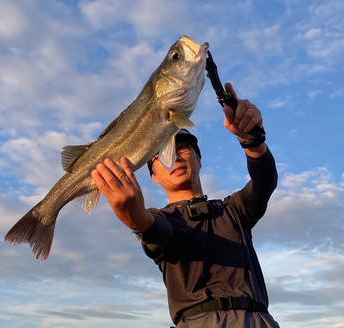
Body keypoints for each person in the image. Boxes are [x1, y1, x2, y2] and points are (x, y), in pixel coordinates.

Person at [91, 82, 280, 327]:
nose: (176, 156)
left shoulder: (233, 209)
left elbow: (264, 182)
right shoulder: (161, 218)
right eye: (163, 154)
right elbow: (153, 230)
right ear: (154, 176)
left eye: (183, 146)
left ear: (200, 160)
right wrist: (133, 215)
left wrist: (252, 139)